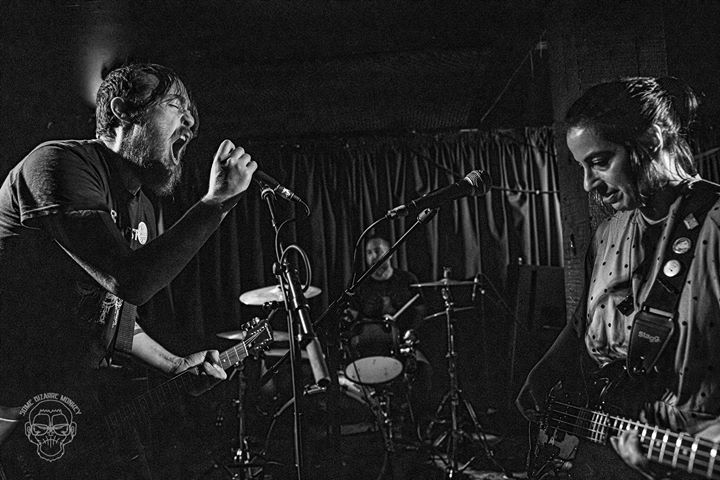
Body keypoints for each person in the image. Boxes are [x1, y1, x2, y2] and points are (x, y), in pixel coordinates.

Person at [0, 63, 257, 478]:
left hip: (78, 399)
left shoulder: (142, 207)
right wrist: (214, 204)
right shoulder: (58, 163)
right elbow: (127, 280)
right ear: (122, 112)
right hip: (16, 399)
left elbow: (116, 319)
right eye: (175, 106)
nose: (191, 122)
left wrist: (175, 365)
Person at [516, 76, 720, 479]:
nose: (588, 184)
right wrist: (546, 369)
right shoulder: (608, 233)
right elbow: (583, 319)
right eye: (582, 167)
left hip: (688, 456)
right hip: (605, 453)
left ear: (653, 139)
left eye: (600, 162)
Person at [346, 237, 432, 433]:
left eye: (377, 251)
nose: (372, 256)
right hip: (371, 348)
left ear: (390, 253)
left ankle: (416, 428)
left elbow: (420, 310)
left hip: (402, 345)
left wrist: (412, 331)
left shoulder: (407, 280)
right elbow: (352, 316)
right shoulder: (360, 284)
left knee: (424, 370)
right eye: (369, 253)